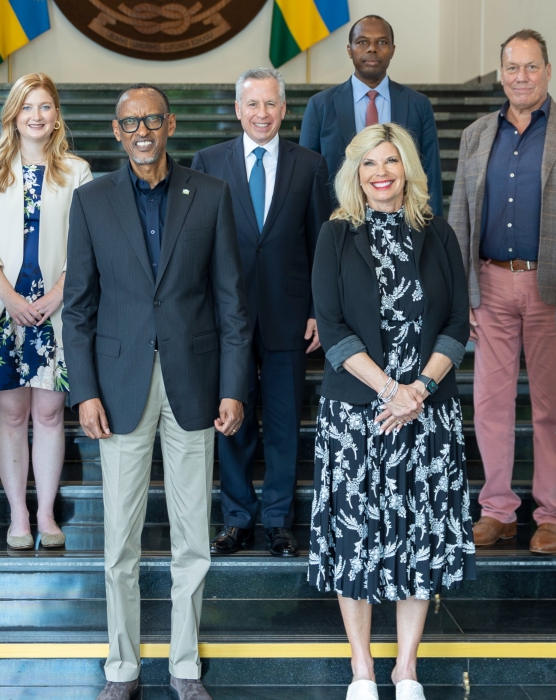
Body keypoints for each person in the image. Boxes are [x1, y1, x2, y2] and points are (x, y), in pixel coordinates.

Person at [64, 84, 250, 700]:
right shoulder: (91, 201)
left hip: (194, 385)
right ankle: (122, 668)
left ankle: (185, 665)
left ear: (169, 124)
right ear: (116, 132)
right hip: (117, 391)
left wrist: (232, 385)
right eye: (129, 122)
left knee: (192, 536)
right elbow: (79, 308)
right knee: (120, 540)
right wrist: (83, 390)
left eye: (152, 119)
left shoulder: (212, 195)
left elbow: (231, 302)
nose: (142, 130)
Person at [310, 123, 474, 700]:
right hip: (357, 415)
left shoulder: (438, 235)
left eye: (392, 161)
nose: (381, 173)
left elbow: (457, 323)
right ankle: (362, 670)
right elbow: (330, 327)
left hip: (427, 416)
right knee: (356, 540)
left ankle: (406, 669)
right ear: (355, 173)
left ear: (408, 168)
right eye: (369, 164)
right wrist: (390, 391)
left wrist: (420, 390)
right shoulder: (335, 235)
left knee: (419, 538)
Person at [449, 29, 556, 554]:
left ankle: (553, 514)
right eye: (512, 68)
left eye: (530, 67)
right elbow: (460, 216)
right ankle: (497, 510)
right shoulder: (477, 134)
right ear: (501, 74)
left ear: (548, 70)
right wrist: (463, 294)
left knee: (553, 405)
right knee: (490, 405)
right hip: (492, 283)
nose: (520, 77)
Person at [190, 68, 331, 557]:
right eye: (253, 104)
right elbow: (197, 246)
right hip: (226, 318)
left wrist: (317, 308)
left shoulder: (310, 165)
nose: (262, 113)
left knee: (284, 420)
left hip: (289, 316)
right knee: (232, 418)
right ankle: (236, 517)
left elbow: (321, 243)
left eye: (271, 104)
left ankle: (277, 519)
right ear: (237, 109)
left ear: (284, 109)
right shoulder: (207, 163)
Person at [0, 73, 92, 550]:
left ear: (56, 115)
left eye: (45, 107)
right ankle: (18, 512)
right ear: (13, 115)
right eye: (27, 107)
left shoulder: (76, 171)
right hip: (5, 307)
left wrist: (57, 295)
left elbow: (86, 245)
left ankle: (46, 514)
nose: (36, 116)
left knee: (49, 412)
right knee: (12, 413)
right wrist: (10, 298)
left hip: (57, 306)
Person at [299, 15, 443, 215]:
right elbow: (305, 177)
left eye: (382, 42)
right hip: (338, 222)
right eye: (362, 42)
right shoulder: (320, 105)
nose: (372, 48)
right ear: (349, 50)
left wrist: (431, 231)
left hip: (403, 225)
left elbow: (431, 176)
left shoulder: (418, 104)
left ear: (393, 50)